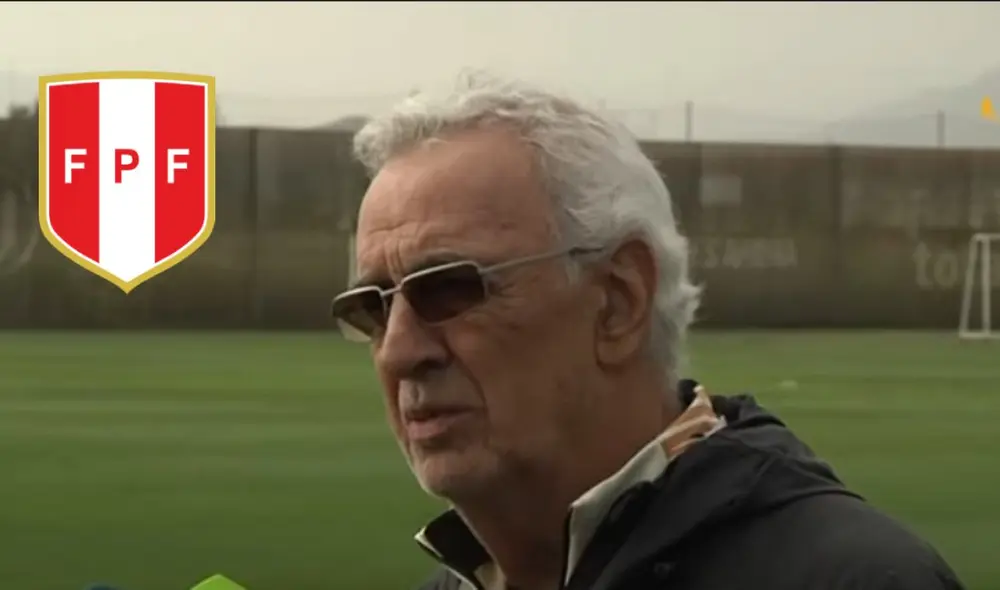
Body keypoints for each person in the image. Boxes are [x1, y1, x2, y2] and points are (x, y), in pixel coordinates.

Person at [330, 72, 965, 590]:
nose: (400, 350)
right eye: (373, 307)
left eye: (450, 288)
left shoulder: (852, 579)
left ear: (617, 302)